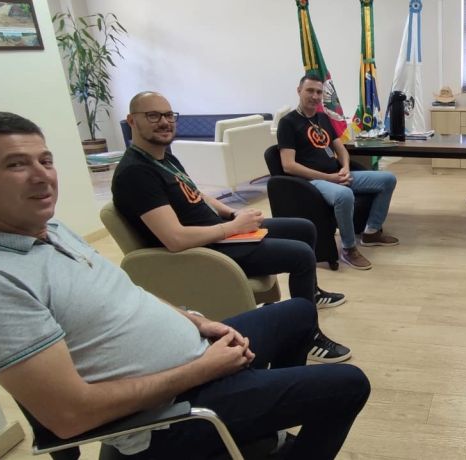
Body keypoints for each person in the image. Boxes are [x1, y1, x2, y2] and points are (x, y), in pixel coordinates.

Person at [0, 111, 371, 459]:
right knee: (347, 385)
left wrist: (197, 322)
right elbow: (70, 417)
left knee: (298, 313)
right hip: (167, 417)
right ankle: (255, 428)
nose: (42, 176)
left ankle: (259, 433)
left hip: (197, 358)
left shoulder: (50, 230)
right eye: (16, 164)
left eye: (45, 161)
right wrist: (204, 368)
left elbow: (127, 294)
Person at [111, 91, 351, 363]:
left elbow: (196, 194)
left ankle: (310, 294)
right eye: (153, 116)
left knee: (304, 228)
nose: (165, 122)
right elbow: (175, 238)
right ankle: (308, 337)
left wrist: (230, 212)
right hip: (205, 250)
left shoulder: (163, 158)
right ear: (132, 120)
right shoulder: (136, 173)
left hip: (219, 231)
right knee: (301, 255)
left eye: (168, 115)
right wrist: (233, 227)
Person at [278, 74, 399, 270]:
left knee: (388, 179)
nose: (315, 96)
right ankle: (349, 248)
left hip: (336, 175)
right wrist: (329, 178)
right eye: (310, 91)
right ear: (299, 91)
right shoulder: (288, 123)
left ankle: (371, 232)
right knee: (344, 195)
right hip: (312, 181)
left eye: (319, 92)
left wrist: (345, 168)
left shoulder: (323, 118)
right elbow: (288, 165)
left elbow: (340, 149)